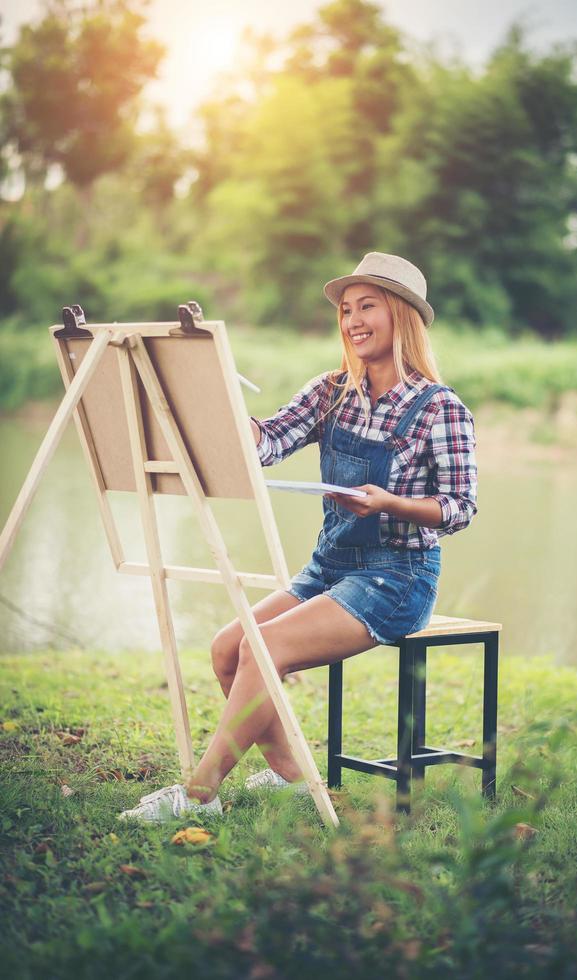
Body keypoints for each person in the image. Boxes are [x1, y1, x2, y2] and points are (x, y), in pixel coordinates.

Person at [119, 252, 478, 821]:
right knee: (226, 649)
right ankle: (291, 778)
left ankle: (199, 795)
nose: (353, 320)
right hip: (330, 568)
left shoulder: (441, 409)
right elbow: (266, 445)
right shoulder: (330, 390)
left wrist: (390, 503)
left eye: (368, 306)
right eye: (345, 309)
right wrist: (219, 402)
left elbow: (459, 509)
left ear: (403, 316)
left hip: (397, 577)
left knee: (266, 648)